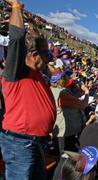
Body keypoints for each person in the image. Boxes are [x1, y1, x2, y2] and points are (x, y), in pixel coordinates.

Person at [0, 0, 57, 179]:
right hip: (19, 141)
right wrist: (16, 6)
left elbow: (37, 39)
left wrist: (31, 23)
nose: (50, 59)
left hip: (35, 141)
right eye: (46, 55)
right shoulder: (17, 69)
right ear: (33, 55)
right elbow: (17, 38)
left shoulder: (38, 71)